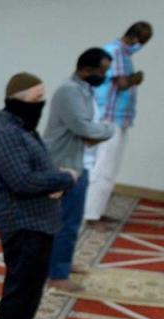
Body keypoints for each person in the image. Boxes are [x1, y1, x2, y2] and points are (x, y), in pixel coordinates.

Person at [0, 73, 80, 319]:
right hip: (22, 223)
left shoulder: (23, 128)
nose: (41, 105)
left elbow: (38, 172)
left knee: (30, 288)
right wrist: (65, 178)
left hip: (38, 221)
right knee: (20, 288)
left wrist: (54, 180)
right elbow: (22, 180)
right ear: (15, 101)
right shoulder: (5, 133)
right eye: (36, 99)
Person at [44, 50, 117, 292]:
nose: (104, 75)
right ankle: (58, 274)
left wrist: (97, 131)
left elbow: (90, 130)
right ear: (85, 69)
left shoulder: (85, 89)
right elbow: (84, 128)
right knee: (67, 221)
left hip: (79, 162)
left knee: (71, 220)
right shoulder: (69, 91)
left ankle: (61, 262)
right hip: (66, 165)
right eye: (102, 70)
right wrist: (107, 130)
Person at [85, 21, 153, 226]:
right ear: (133, 38)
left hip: (118, 118)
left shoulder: (122, 54)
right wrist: (137, 78)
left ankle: (98, 211)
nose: (141, 46)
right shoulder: (115, 52)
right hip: (109, 119)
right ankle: (90, 215)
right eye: (142, 41)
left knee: (110, 168)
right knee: (103, 167)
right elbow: (121, 83)